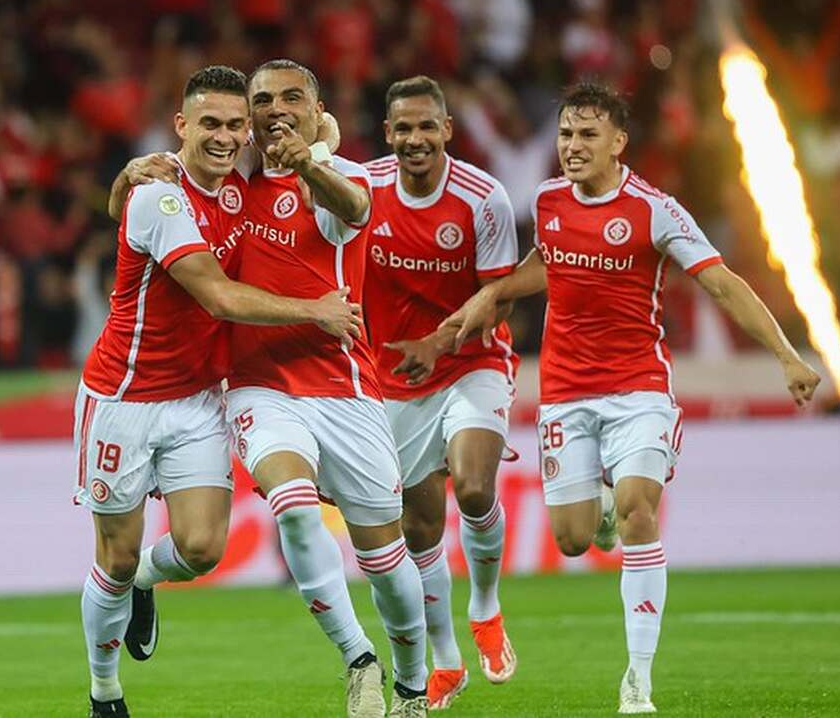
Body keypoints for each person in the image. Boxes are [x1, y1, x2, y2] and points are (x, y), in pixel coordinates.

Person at [422, 82, 821, 714]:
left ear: (617, 143)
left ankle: (637, 679)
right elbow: (542, 267)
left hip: (639, 390)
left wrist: (787, 355)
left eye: (586, 136)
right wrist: (488, 298)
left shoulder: (654, 209)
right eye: (565, 135)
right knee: (577, 539)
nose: (572, 147)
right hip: (565, 394)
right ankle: (600, 509)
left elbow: (721, 284)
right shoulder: (548, 200)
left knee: (640, 510)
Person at [76, 66, 363, 718]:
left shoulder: (238, 185)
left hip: (199, 399)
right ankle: (104, 690)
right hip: (123, 399)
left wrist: (118, 182)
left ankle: (150, 581)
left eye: (237, 125)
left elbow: (319, 130)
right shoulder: (161, 198)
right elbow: (217, 294)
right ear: (181, 126)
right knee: (114, 557)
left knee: (202, 548)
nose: (227, 136)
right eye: (211, 124)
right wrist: (313, 310)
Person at [226, 59, 429, 718]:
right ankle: (358, 659)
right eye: (263, 100)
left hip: (344, 388)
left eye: (291, 98)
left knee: (386, 562)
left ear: (318, 111)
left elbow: (357, 208)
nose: (275, 108)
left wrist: (312, 162)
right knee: (290, 503)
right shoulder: (236, 180)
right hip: (261, 386)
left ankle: (413, 681)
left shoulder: (346, 175)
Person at [361, 76, 519, 710]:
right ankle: (446, 661)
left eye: (428, 126)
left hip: (472, 361)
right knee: (419, 529)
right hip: (393, 380)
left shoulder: (484, 199)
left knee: (475, 486)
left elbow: (499, 295)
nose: (415, 139)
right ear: (388, 134)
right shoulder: (362, 189)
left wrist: (440, 341)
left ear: (448, 130)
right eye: (404, 128)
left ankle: (486, 607)